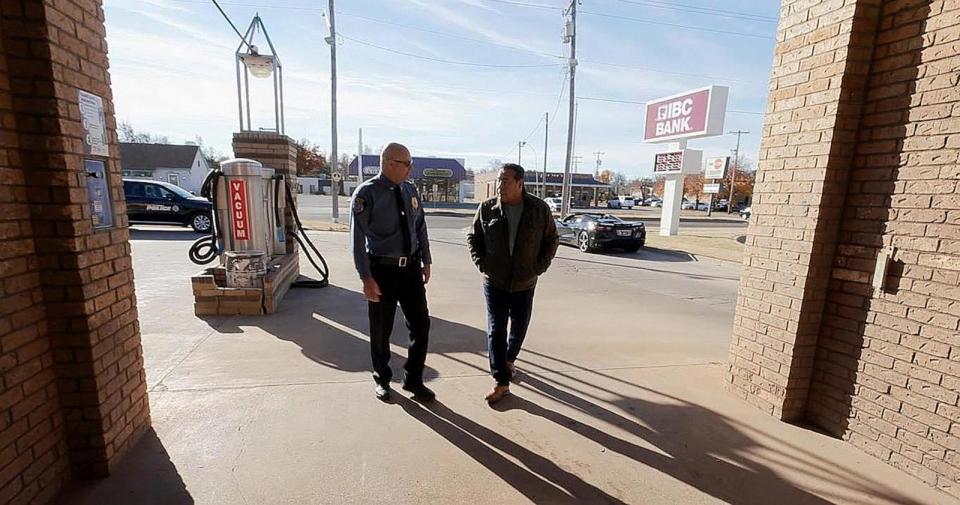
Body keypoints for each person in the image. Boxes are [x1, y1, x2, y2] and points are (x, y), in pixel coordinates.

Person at [467, 163, 559, 403]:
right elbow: (472, 236)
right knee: (496, 329)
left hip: (525, 282)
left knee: (519, 326)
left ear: (520, 183)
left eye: (506, 180)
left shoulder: (538, 209)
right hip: (494, 280)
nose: (500, 185)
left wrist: (540, 266)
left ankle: (509, 360)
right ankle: (501, 382)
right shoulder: (487, 208)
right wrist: (482, 263)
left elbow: (552, 239)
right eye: (499, 180)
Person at [350, 143, 435, 402]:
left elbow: (420, 226)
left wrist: (426, 259)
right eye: (406, 163)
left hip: (410, 269)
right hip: (382, 271)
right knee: (380, 329)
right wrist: (366, 277)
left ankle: (413, 379)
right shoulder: (367, 193)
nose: (411, 168)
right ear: (389, 164)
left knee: (421, 324)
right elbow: (357, 239)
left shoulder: (410, 190)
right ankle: (382, 379)